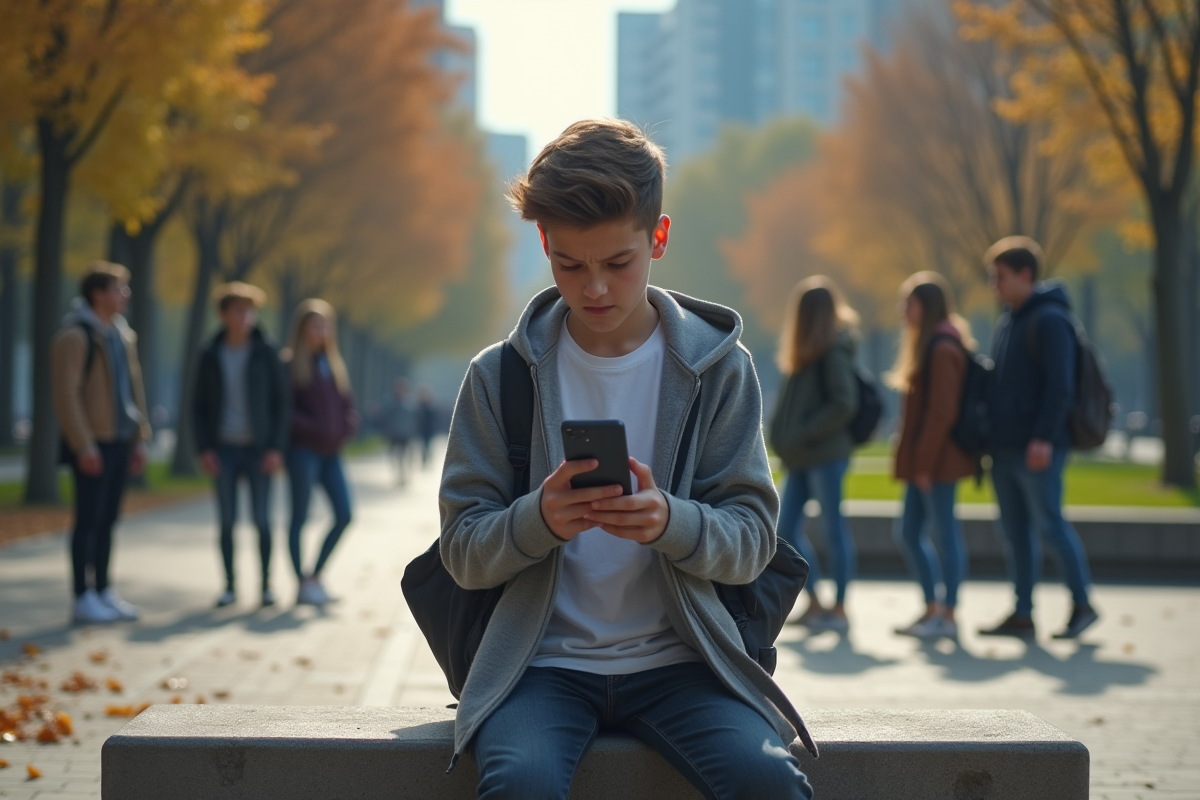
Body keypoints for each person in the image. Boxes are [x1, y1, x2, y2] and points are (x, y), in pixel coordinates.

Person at [439, 119, 815, 799]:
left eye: (618, 263)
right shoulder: (499, 377)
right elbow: (462, 552)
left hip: (686, 664)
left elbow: (754, 540)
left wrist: (669, 520)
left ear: (659, 239)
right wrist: (540, 520)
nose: (596, 290)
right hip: (538, 668)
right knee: (518, 787)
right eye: (569, 266)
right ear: (544, 244)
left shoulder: (720, 370)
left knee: (771, 786)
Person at [980, 236, 1099, 639]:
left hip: (1037, 447)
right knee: (1015, 533)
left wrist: (1044, 437)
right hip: (1006, 446)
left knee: (1051, 525)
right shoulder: (1010, 319)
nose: (994, 284)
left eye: (1000, 276)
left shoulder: (1050, 319)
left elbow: (1060, 386)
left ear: (1025, 275)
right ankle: (1023, 612)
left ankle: (1083, 605)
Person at [51, 262, 152, 624]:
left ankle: (104, 590)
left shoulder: (123, 336)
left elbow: (133, 389)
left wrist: (140, 437)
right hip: (93, 443)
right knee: (87, 520)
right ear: (97, 293)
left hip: (121, 440)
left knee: (108, 519)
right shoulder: (75, 336)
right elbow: (67, 394)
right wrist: (84, 444)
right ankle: (83, 596)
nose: (125, 295)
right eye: (118, 289)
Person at [886, 272, 978, 640]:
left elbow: (942, 413)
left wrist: (923, 464)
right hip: (928, 463)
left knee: (944, 533)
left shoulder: (942, 349)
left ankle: (949, 613)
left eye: (909, 302)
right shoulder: (932, 345)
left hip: (938, 463)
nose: (903, 310)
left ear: (928, 306)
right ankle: (933, 608)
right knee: (909, 532)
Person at [769, 276, 861, 633]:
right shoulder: (806, 352)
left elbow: (844, 402)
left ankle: (839, 607)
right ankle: (816, 600)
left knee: (833, 529)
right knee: (785, 530)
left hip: (824, 455)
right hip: (802, 458)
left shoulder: (833, 351)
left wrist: (805, 432)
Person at [193, 282, 288, 609]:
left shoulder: (266, 351)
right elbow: (198, 406)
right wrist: (204, 449)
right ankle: (229, 586)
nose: (246, 316)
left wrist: (276, 447)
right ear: (224, 314)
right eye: (239, 310)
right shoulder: (210, 353)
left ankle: (265, 586)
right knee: (227, 521)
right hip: (223, 451)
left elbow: (281, 402)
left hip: (259, 451)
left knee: (262, 520)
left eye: (250, 310)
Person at [282, 300, 357, 607]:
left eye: (326, 325)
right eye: (316, 325)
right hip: (303, 452)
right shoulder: (289, 364)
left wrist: (347, 425)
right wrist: (315, 428)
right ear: (302, 330)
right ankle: (301, 583)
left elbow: (347, 406)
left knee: (344, 514)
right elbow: (285, 411)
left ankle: (315, 577)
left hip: (331, 453)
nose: (322, 331)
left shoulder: (333, 365)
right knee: (300, 517)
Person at [383, 378, 415, 485]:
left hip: (406, 433)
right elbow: (385, 417)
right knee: (395, 455)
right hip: (394, 433)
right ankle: (398, 473)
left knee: (406, 455)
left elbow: (414, 418)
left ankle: (404, 474)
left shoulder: (409, 401)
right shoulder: (390, 401)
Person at [416, 386, 437, 469]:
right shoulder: (419, 406)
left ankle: (428, 460)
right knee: (422, 446)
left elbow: (434, 418)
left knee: (428, 446)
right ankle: (424, 461)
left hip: (429, 429)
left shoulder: (430, 406)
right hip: (422, 429)